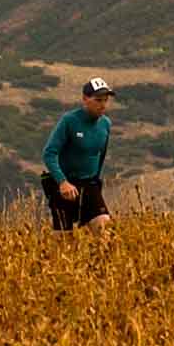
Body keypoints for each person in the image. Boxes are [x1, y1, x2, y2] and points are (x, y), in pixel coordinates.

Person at [41, 76, 114, 231]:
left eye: (105, 100)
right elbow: (49, 153)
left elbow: (101, 156)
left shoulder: (106, 124)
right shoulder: (69, 121)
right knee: (64, 243)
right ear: (85, 99)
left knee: (105, 231)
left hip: (89, 185)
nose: (103, 105)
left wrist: (96, 182)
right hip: (64, 186)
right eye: (98, 100)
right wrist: (62, 182)